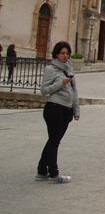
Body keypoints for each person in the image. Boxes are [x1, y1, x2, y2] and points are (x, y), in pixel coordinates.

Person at [37, 41, 79, 183]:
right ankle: (54, 174)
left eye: (67, 53)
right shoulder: (51, 68)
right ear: (56, 54)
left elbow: (74, 91)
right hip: (54, 108)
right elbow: (44, 90)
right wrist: (61, 82)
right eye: (62, 53)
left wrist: (76, 110)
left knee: (53, 141)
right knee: (54, 141)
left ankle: (42, 171)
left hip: (66, 110)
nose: (65, 56)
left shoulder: (69, 68)